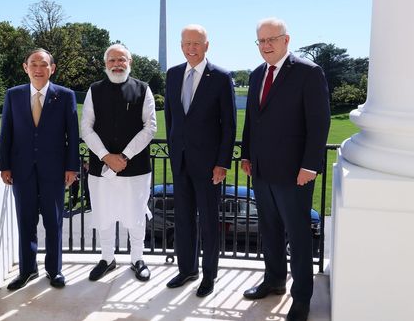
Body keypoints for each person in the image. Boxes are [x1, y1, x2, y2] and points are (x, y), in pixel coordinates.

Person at [241, 18, 330, 321]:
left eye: (271, 40)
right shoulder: (255, 76)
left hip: (295, 174)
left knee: (299, 235)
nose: (266, 46)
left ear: (286, 40)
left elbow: (319, 124)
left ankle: (302, 298)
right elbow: (252, 120)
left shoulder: (308, 73)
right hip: (262, 171)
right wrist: (246, 155)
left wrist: (310, 165)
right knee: (270, 231)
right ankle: (274, 280)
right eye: (261, 41)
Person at [164, 24, 236, 297]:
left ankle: (209, 276)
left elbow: (229, 125)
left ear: (207, 45)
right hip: (180, 161)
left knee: (208, 221)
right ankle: (187, 270)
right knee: (183, 219)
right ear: (181, 46)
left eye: (197, 43)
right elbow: (171, 119)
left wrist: (223, 162)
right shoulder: (172, 75)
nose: (191, 48)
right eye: (186, 43)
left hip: (209, 166)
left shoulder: (220, 77)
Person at [0, 48, 80, 290]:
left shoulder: (65, 96)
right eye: (33, 63)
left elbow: (72, 135)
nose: (38, 68)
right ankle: (27, 271)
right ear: (25, 67)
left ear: (52, 68)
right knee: (25, 221)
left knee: (54, 222)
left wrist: (71, 167)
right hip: (21, 170)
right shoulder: (13, 95)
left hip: (54, 171)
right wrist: (4, 166)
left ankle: (54, 271)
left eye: (43, 64)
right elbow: (6, 133)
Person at [81, 44, 157, 282]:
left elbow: (150, 127)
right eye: (112, 60)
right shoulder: (94, 90)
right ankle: (107, 258)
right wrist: (106, 156)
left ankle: (137, 258)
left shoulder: (143, 89)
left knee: (135, 213)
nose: (117, 64)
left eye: (121, 59)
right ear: (106, 64)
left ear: (130, 62)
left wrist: (124, 156)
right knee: (103, 212)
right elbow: (86, 127)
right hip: (101, 167)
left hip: (134, 167)